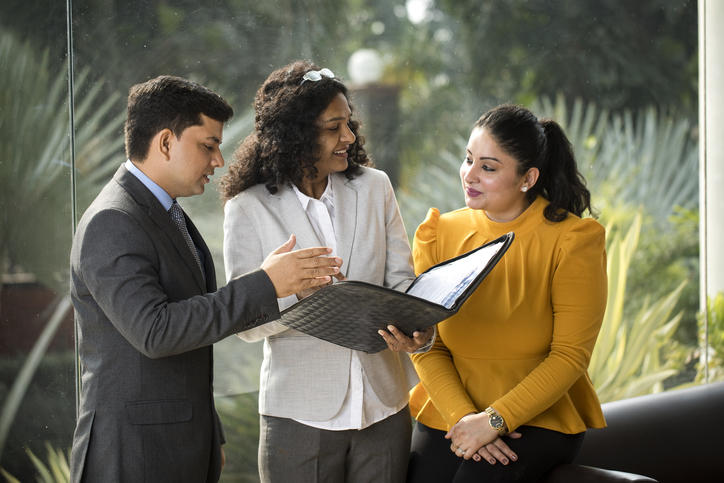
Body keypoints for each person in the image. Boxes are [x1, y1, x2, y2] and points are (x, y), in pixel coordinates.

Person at [68, 75, 342, 483]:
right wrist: (266, 283)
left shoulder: (164, 212)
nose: (219, 161)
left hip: (178, 446)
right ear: (165, 142)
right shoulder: (113, 220)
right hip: (133, 457)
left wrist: (206, 433)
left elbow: (190, 336)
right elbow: (156, 332)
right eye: (208, 145)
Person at [219, 60, 434, 483]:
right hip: (299, 415)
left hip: (384, 407)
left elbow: (400, 282)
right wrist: (290, 290)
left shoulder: (375, 187)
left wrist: (421, 327)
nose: (349, 137)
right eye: (333, 127)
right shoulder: (248, 208)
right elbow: (244, 323)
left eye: (348, 124)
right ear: (296, 134)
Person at [406, 104, 608, 482]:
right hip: (451, 410)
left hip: (538, 417)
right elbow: (428, 345)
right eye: (468, 160)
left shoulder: (573, 241)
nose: (470, 175)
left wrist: (495, 421)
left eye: (488, 167)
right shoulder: (438, 234)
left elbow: (569, 356)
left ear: (527, 178)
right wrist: (465, 419)